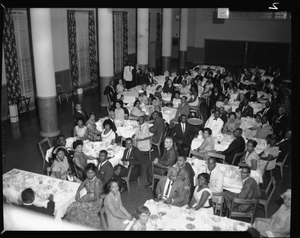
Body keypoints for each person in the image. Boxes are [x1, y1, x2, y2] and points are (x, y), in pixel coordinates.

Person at [65, 163, 103, 229]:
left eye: (92, 173)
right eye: (88, 173)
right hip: (88, 197)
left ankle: (80, 224)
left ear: (95, 173)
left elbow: (96, 197)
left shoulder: (96, 182)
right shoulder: (88, 179)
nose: (90, 175)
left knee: (78, 206)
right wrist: (78, 192)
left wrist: (84, 200)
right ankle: (75, 222)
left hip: (95, 201)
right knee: (73, 205)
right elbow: (82, 184)